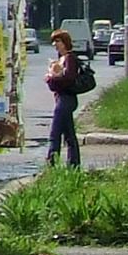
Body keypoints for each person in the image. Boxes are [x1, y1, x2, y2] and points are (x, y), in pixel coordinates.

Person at [43, 28, 83, 168]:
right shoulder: (61, 60)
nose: (55, 44)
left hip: (67, 99)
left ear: (65, 42)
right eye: (54, 42)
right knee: (69, 134)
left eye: (58, 41)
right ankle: (73, 165)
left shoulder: (69, 58)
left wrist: (51, 78)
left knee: (55, 133)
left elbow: (69, 78)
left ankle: (51, 164)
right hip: (62, 99)